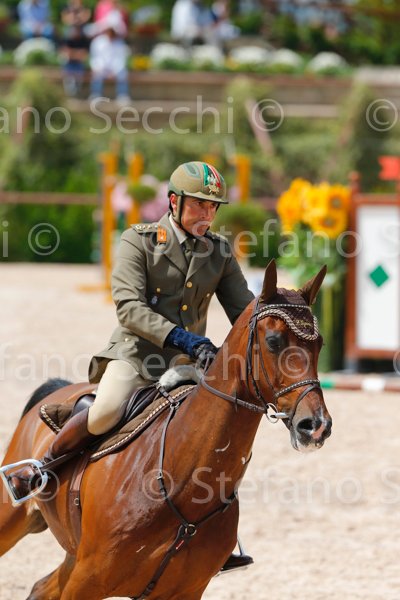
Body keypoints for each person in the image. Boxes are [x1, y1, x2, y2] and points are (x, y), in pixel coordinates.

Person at [6, 161, 255, 572]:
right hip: (136, 356)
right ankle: (40, 469)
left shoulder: (219, 252)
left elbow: (244, 311)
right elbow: (129, 308)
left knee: (217, 433)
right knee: (105, 411)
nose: (207, 214)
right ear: (173, 202)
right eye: (199, 205)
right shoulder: (138, 240)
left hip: (187, 367)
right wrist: (183, 339)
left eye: (213, 207)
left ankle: (213, 531)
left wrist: (276, 318)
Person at [88, 11, 130, 102]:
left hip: (115, 69)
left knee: (122, 73)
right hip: (101, 68)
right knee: (96, 74)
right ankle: (96, 95)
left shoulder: (119, 43)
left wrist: (115, 71)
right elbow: (95, 58)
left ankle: (122, 95)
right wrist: (100, 68)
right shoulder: (98, 42)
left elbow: (121, 59)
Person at [60, 0, 91, 96]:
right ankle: (71, 93)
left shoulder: (84, 38)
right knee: (67, 66)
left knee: (78, 70)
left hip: (78, 63)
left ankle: (75, 93)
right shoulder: (67, 37)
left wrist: (74, 54)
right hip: (69, 62)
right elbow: (66, 53)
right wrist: (76, 54)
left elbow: (84, 54)